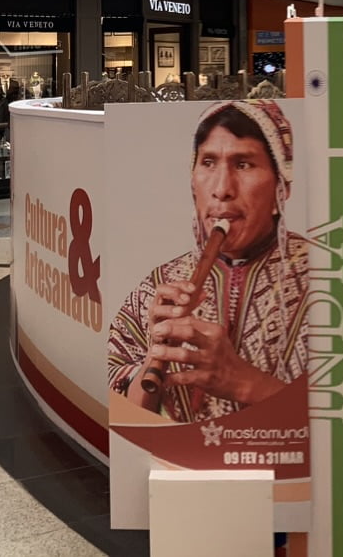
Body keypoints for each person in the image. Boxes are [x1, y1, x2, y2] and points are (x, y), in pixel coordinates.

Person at [108, 101, 313, 423]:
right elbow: (124, 417)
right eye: (208, 163)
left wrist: (246, 383)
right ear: (193, 182)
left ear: (281, 189)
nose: (221, 190)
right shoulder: (162, 282)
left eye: (243, 164)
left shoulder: (325, 279)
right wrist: (154, 360)